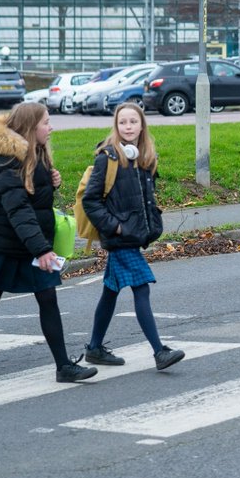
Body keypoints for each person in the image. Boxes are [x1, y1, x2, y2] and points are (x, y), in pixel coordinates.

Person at [0, 104, 98, 383]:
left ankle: (63, 366)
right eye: (46, 123)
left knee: (47, 298)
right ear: (30, 128)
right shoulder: (7, 161)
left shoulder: (35, 153)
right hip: (6, 243)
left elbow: (33, 199)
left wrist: (52, 184)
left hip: (30, 242)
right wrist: (41, 249)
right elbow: (18, 209)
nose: (50, 127)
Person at [81, 102, 184, 371]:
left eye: (133, 122)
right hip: (120, 237)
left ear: (142, 125)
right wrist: (115, 227)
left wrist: (151, 224)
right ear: (116, 126)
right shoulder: (108, 157)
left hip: (133, 235)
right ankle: (159, 351)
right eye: (122, 122)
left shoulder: (144, 157)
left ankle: (94, 348)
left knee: (110, 292)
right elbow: (91, 201)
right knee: (142, 287)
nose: (128, 127)